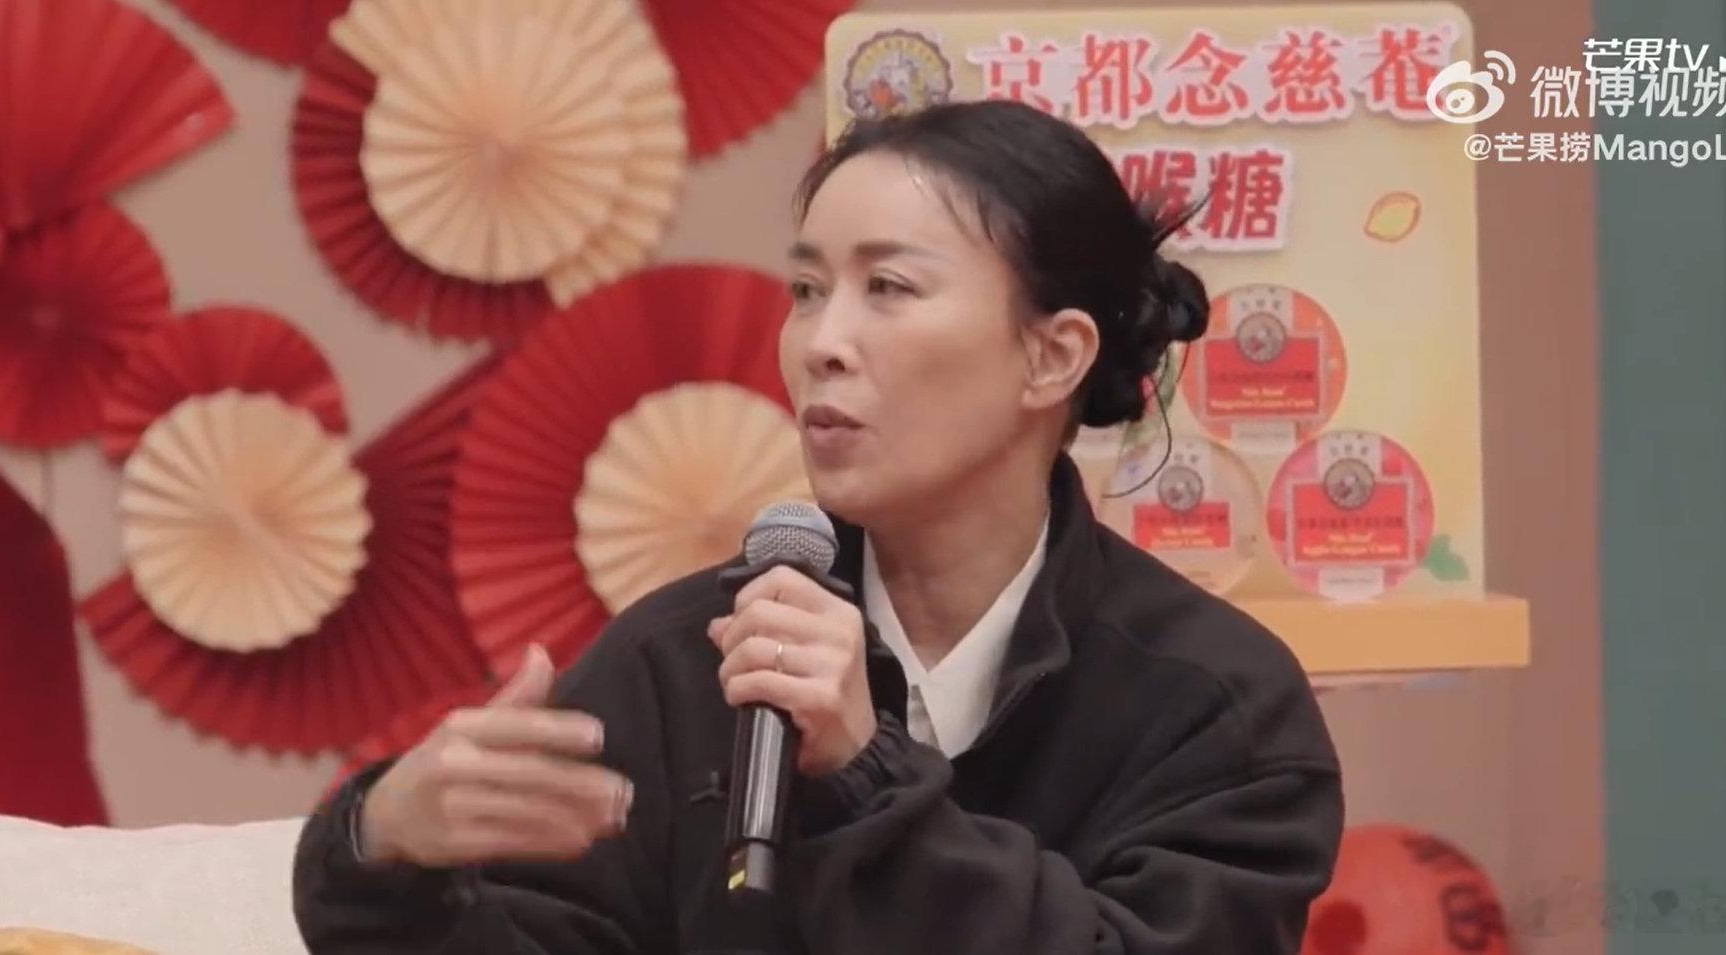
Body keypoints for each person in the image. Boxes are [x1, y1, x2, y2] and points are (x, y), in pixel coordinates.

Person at [292, 98, 1344, 955]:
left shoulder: (1216, 703)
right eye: (805, 288)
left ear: (1051, 356)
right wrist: (381, 855)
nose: (819, 342)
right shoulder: (682, 660)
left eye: (887, 286)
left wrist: (862, 772)